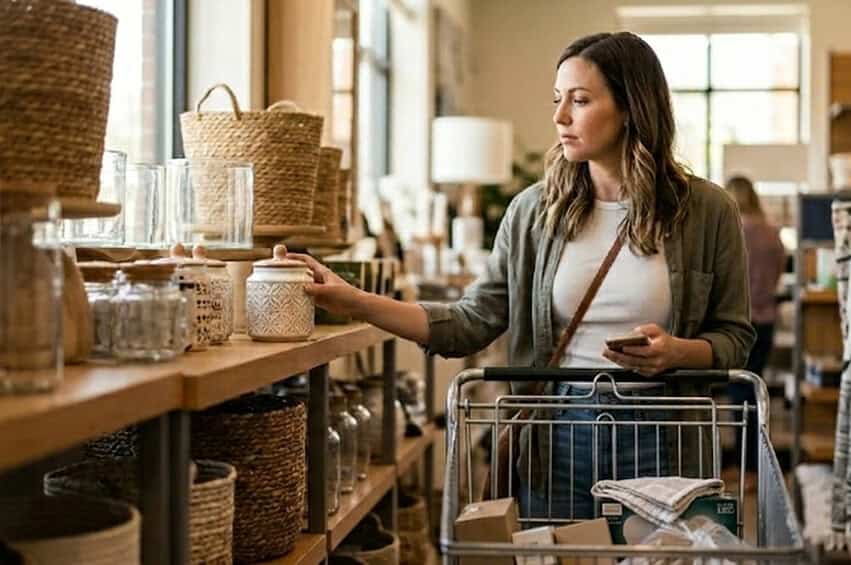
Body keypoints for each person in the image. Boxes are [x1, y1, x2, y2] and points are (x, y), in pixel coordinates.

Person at [293, 32, 754, 519]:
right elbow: (470, 322)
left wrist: (679, 354)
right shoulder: (534, 212)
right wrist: (353, 300)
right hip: (556, 434)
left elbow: (734, 337)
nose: (560, 117)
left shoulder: (706, 211)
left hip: (665, 432)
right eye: (558, 100)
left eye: (580, 100)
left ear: (631, 108)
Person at [724, 175, 786, 469]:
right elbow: (777, 276)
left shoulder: (733, 230)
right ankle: (757, 466)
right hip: (767, 320)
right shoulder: (772, 233)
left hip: (738, 323)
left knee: (739, 396)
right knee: (756, 392)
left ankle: (743, 467)